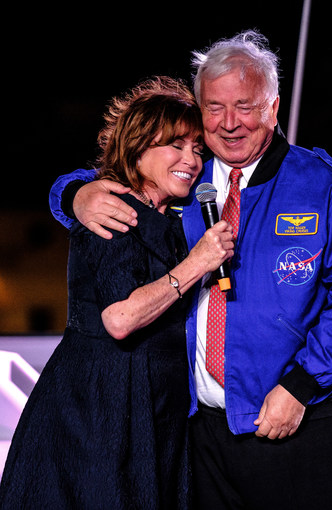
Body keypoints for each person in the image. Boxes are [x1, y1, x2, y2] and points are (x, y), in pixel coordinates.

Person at [47, 31, 332, 510]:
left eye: (244, 105)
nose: (229, 124)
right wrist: (73, 193)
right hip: (197, 435)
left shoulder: (320, 182)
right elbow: (121, 170)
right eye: (214, 107)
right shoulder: (184, 178)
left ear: (273, 107)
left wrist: (302, 386)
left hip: (297, 421)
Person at [0, 76, 234, 510]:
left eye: (197, 150)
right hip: (101, 409)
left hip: (157, 408)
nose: (192, 160)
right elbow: (119, 319)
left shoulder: (177, 218)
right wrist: (197, 264)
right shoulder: (112, 211)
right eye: (176, 145)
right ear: (138, 146)